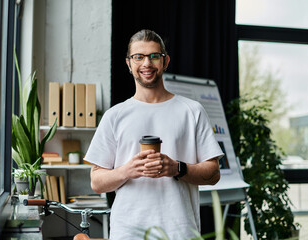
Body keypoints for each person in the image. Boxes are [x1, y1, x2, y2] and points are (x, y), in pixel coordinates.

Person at [84, 29, 224, 240]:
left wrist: (177, 168)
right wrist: (127, 170)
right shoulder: (115, 116)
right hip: (128, 232)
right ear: (129, 64)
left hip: (180, 232)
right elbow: (96, 182)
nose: (146, 64)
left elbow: (213, 174)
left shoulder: (192, 111)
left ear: (165, 61)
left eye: (154, 56)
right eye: (138, 57)